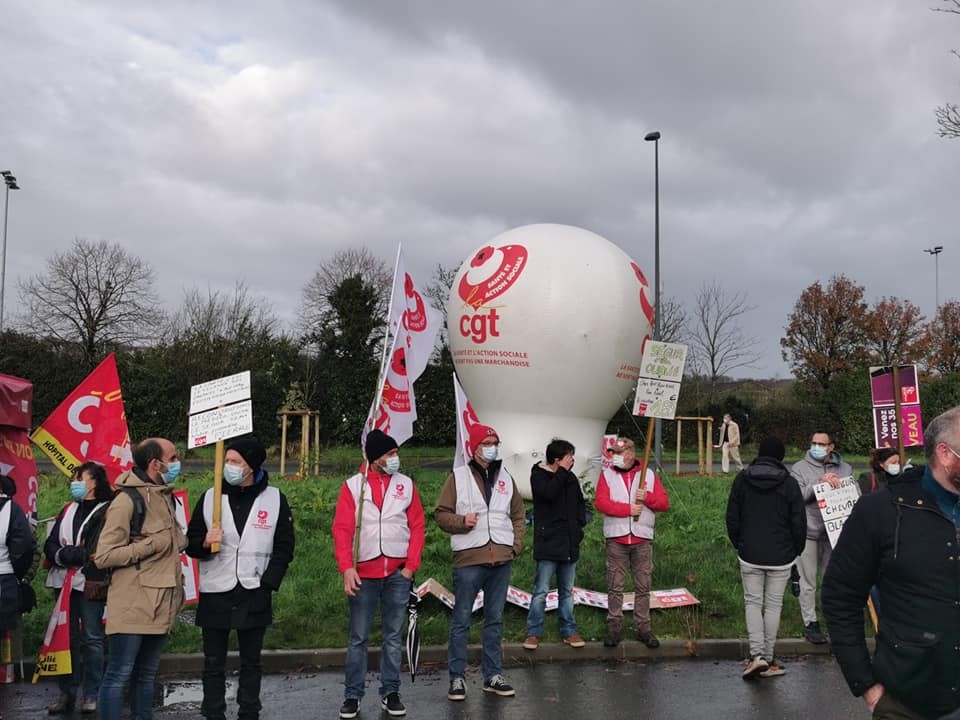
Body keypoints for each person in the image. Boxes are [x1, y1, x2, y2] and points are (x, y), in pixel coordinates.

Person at [823, 406, 960, 719]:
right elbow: (840, 596)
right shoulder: (880, 512)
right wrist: (867, 686)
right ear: (945, 454)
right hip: (907, 702)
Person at [186, 437, 295, 720]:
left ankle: (249, 710)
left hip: (254, 589)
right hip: (216, 589)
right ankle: (213, 711)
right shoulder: (212, 496)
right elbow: (191, 542)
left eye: (235, 462)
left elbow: (285, 547)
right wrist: (203, 543)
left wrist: (268, 584)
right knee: (213, 661)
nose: (228, 467)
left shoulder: (274, 498)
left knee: (251, 661)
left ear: (251, 467)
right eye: (227, 461)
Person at [332, 430, 425, 719]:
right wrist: (346, 567)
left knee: (393, 637)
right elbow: (342, 529)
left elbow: (418, 526)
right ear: (374, 459)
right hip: (363, 574)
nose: (395, 459)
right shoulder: (353, 487)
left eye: (396, 453)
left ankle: (391, 692)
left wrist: (411, 566)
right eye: (389, 454)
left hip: (398, 573)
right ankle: (352, 695)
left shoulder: (406, 485)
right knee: (358, 637)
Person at [94, 438, 188, 720]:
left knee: (146, 676)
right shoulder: (126, 500)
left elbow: (171, 541)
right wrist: (150, 545)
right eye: (172, 458)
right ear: (154, 463)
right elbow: (104, 556)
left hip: (161, 602)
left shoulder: (164, 495)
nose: (176, 463)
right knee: (119, 674)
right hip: (133, 603)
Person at [435, 424, 525, 702]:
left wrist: (515, 545)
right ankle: (457, 678)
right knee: (461, 619)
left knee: (494, 620)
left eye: (495, 441)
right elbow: (440, 514)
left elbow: (519, 514)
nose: (492, 446)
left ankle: (493, 675)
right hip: (469, 560)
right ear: (474, 447)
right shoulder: (457, 477)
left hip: (501, 559)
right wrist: (462, 522)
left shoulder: (506, 477)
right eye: (487, 442)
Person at [725, 437, 806, 679]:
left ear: (760, 453)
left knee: (752, 602)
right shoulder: (789, 484)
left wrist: (740, 543)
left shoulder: (742, 479)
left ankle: (756, 655)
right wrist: (795, 550)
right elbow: (799, 522)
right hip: (781, 555)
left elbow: (732, 517)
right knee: (773, 605)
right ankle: (768, 659)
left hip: (749, 552)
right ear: (780, 457)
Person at [43, 461, 113, 715]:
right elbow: (49, 545)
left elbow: (94, 551)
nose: (74, 482)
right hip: (64, 583)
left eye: (79, 478)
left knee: (92, 639)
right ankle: (67, 692)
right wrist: (66, 554)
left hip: (90, 584)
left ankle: (92, 693)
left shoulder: (107, 511)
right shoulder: (68, 509)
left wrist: (71, 554)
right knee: (66, 638)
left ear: (94, 483)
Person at [594, 435, 670, 649]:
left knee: (643, 586)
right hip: (616, 539)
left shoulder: (649, 476)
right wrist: (627, 510)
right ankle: (614, 628)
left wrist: (647, 498)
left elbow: (664, 503)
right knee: (615, 586)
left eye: (617, 454)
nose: (614, 458)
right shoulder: (607, 475)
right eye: (613, 454)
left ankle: (644, 628)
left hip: (642, 539)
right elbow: (601, 502)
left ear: (629, 454)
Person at [523, 438, 587, 651]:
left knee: (567, 591)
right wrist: (561, 472)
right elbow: (548, 494)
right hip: (548, 542)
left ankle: (569, 631)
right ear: (557, 459)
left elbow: (580, 504)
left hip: (569, 542)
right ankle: (534, 632)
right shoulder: (538, 475)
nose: (573, 460)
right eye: (569, 456)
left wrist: (578, 527)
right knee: (541, 590)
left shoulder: (570, 478)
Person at [790, 430, 851, 645]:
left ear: (831, 447)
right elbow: (797, 498)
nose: (816, 446)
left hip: (834, 534)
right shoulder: (798, 468)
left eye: (822, 444)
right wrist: (820, 482)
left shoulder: (846, 469)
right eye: (814, 442)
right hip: (807, 532)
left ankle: (834, 620)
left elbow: (853, 498)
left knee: (832, 580)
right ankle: (811, 623)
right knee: (808, 582)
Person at [0, 474, 36, 651]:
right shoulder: (12, 510)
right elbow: (24, 546)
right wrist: (18, 575)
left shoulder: (11, 509)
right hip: (6, 579)